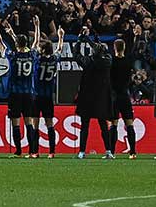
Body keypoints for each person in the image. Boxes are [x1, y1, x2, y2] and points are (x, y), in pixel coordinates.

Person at [72, 26, 114, 160]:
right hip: (101, 97)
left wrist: (80, 40)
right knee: (103, 126)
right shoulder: (107, 61)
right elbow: (102, 50)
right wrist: (94, 39)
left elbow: (76, 55)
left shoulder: (88, 62)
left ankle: (81, 152)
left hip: (87, 97)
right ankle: (108, 151)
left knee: (84, 126)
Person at [0, 17, 39, 157]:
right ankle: (32, 151)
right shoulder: (31, 55)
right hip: (28, 94)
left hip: (15, 94)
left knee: (15, 123)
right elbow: (36, 42)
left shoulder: (13, 55)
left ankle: (18, 152)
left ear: (16, 44)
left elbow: (2, 45)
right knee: (28, 122)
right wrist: (37, 26)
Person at [33, 22, 63, 159]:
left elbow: (34, 45)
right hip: (48, 96)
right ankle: (51, 152)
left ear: (43, 50)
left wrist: (37, 26)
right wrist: (61, 37)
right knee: (50, 124)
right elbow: (60, 49)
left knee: (35, 125)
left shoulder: (38, 60)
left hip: (37, 96)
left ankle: (35, 152)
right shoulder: (54, 60)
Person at [108, 36, 137, 159]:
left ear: (114, 48)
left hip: (114, 96)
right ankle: (133, 152)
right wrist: (136, 37)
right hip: (125, 95)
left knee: (113, 124)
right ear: (124, 48)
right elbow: (134, 52)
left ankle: (112, 152)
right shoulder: (128, 61)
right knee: (129, 124)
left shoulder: (111, 61)